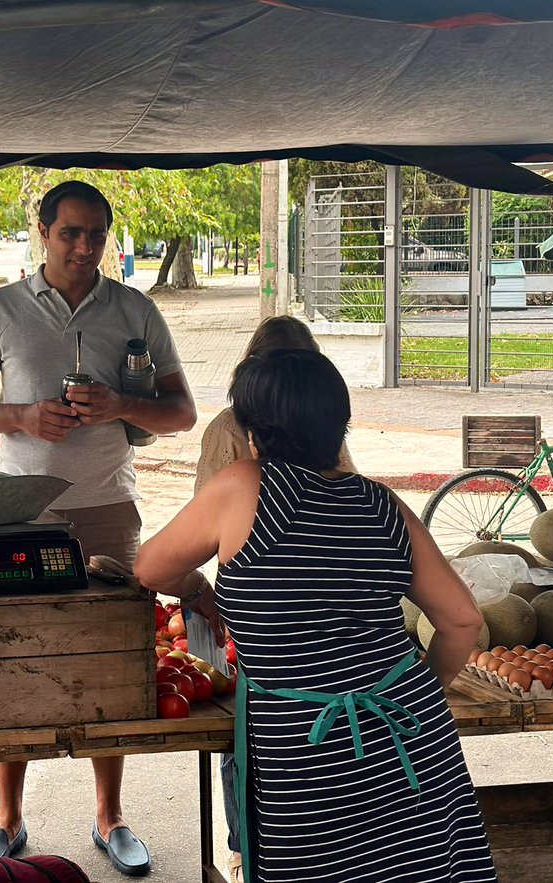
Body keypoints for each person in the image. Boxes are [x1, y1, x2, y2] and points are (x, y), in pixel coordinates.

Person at [134, 349, 497, 883]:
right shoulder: (383, 504)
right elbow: (462, 620)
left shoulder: (245, 486)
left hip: (305, 750)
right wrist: (417, 691)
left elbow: (150, 567)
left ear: (255, 430)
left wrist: (199, 589)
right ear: (338, 426)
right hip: (410, 736)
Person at [0, 180, 197, 877]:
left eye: (96, 235)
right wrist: (23, 418)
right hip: (23, 510)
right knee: (14, 654)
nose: (84, 247)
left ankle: (110, 814)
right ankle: (6, 814)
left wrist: (122, 402)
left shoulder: (135, 308)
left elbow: (180, 412)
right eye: (71, 233)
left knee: (112, 657)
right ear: (43, 229)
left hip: (109, 508)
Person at [193, 316, 356, 883]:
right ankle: (244, 847)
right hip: (259, 615)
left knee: (307, 742)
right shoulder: (232, 440)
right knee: (249, 737)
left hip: (322, 616)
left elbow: (345, 496)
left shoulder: (321, 436)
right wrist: (206, 598)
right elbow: (193, 541)